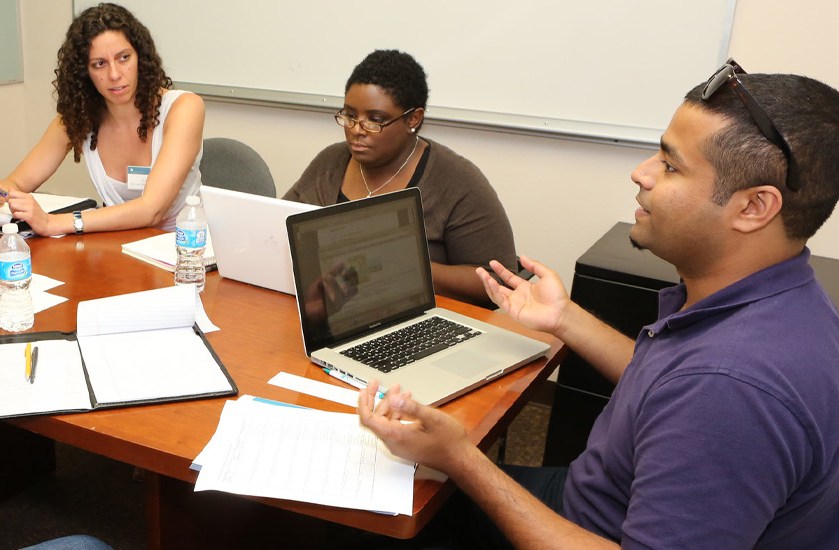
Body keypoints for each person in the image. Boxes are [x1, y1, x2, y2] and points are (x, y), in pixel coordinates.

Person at [357, 65, 839, 549]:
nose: (642, 172)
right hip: (591, 500)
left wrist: (462, 458)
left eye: (671, 166)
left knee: (359, 517)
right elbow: (667, 386)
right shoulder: (783, 301)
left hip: (588, 532)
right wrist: (563, 318)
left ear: (754, 207)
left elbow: (701, 393)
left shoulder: (730, 388)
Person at [283, 50, 515, 307]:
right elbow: (279, 229)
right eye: (350, 115)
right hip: (331, 312)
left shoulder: (457, 181)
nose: (357, 130)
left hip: (417, 322)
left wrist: (406, 265)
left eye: (376, 120)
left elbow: (500, 280)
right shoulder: (331, 162)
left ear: (413, 119)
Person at [0, 2, 204, 236]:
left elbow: (151, 210)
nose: (114, 74)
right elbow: (17, 183)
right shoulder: (78, 118)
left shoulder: (184, 108)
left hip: (185, 251)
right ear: (84, 73)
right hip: (119, 249)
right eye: (99, 64)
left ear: (140, 59)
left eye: (124, 58)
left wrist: (53, 223)